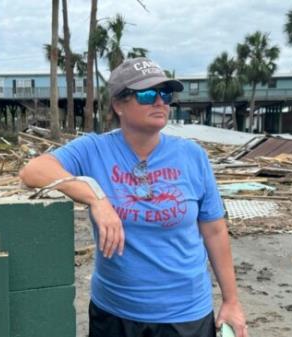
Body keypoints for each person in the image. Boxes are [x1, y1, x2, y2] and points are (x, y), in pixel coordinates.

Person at [20, 57, 247, 337]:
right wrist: (97, 198)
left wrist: (231, 301)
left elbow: (214, 231)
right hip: (115, 313)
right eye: (148, 94)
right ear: (119, 104)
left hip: (186, 316)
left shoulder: (193, 156)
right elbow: (34, 170)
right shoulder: (94, 149)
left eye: (165, 94)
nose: (160, 102)